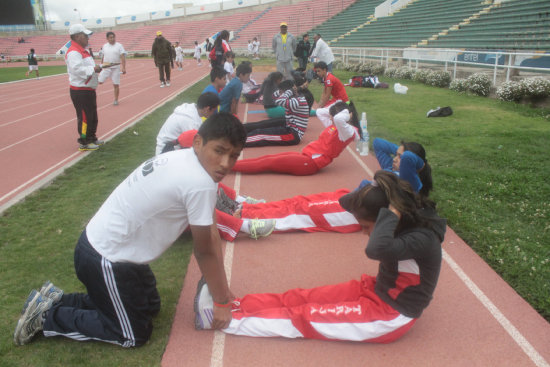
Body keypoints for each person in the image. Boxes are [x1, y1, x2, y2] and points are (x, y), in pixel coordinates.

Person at [13, 113, 248, 347]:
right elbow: (204, 250)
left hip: (110, 249)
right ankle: (45, 318)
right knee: (132, 333)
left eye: (234, 156)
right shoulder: (199, 182)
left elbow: (212, 231)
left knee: (150, 307)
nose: (226, 163)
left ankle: (56, 299)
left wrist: (223, 290)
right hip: (106, 257)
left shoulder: (186, 157)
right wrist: (221, 302)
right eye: (219, 151)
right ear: (198, 142)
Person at [195, 170, 446, 343]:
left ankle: (219, 320)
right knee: (300, 297)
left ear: (385, 220)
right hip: (375, 290)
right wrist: (377, 192)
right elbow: (348, 202)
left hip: (390, 315)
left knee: (304, 317)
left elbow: (375, 250)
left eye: (367, 227)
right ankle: (236, 306)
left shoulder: (422, 239)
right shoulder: (404, 222)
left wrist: (390, 211)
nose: (365, 233)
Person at [215, 138, 433, 239]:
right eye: (396, 155)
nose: (395, 159)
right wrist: (400, 149)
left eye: (400, 157)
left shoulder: (411, 183)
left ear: (414, 166)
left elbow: (410, 160)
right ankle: (243, 206)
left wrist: (416, 162)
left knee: (301, 212)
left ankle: (244, 218)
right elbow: (378, 143)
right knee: (298, 202)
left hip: (354, 212)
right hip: (350, 196)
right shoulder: (391, 170)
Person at [232, 101, 360, 175]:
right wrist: (339, 106)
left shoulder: (347, 131)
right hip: (306, 156)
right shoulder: (335, 125)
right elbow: (321, 112)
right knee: (267, 158)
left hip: (310, 163)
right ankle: (232, 164)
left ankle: (229, 166)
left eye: (332, 115)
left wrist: (347, 113)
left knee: (267, 163)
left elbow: (338, 118)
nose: (330, 118)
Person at [65, 24, 103, 151]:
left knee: (92, 116)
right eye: (85, 35)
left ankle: (92, 138)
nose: (88, 38)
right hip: (80, 90)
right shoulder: (74, 52)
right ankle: (84, 142)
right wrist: (93, 68)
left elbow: (87, 67)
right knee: (85, 117)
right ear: (77, 36)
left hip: (88, 89)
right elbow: (77, 70)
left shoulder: (82, 50)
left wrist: (96, 68)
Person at [244, 79, 309, 148]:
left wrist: (289, 91)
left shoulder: (298, 101)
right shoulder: (293, 97)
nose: (280, 94)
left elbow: (279, 101)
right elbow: (274, 96)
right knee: (262, 126)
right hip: (288, 127)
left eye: (281, 93)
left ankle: (237, 142)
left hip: (293, 135)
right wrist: (289, 91)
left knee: (261, 135)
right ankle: (240, 130)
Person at [155, 92, 220, 155]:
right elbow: (196, 146)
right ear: (207, 109)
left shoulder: (191, 110)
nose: (213, 113)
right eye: (213, 111)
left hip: (168, 147)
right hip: (165, 152)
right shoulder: (190, 120)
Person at [98, 31, 127, 106]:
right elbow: (103, 56)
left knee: (116, 84)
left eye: (113, 37)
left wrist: (123, 68)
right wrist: (101, 65)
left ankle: (116, 99)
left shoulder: (119, 46)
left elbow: (123, 57)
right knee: (99, 82)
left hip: (115, 68)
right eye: (110, 37)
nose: (112, 39)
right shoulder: (104, 46)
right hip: (106, 67)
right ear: (107, 38)